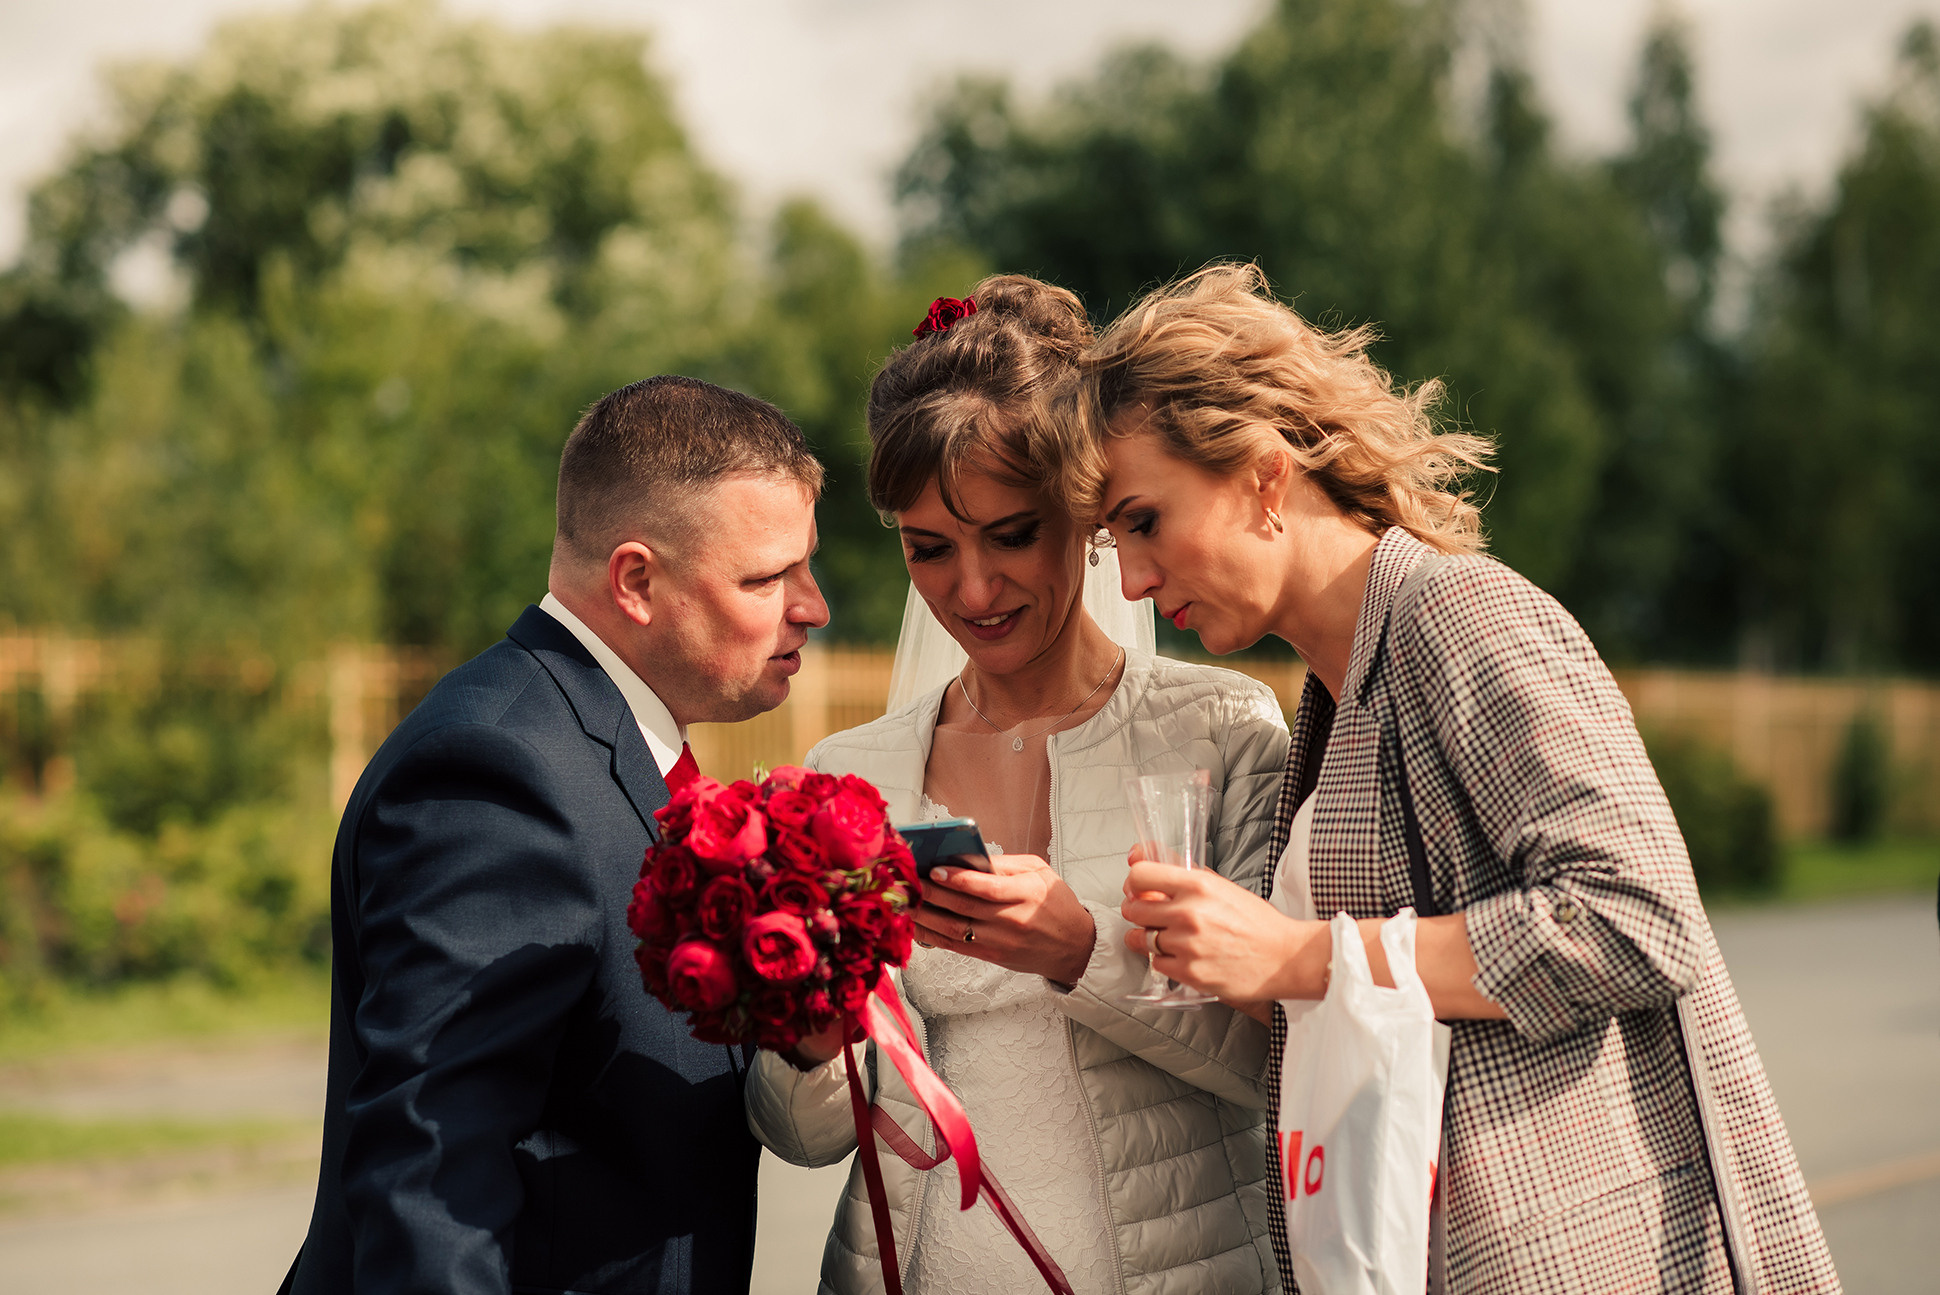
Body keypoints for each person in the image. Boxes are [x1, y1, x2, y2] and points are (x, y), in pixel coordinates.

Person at [1066, 264, 1841, 1293]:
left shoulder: (1455, 614)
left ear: (1261, 475)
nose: (1130, 578)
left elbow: (1634, 915)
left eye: (1143, 520)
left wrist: (1302, 954)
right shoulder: (1333, 686)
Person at [744, 277, 1293, 1295]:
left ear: (1083, 514)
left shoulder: (1222, 729)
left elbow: (1277, 1065)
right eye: (928, 548)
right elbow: (803, 1138)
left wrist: (1080, 950)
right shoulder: (843, 775)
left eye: (1009, 534)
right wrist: (809, 1040)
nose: (972, 589)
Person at [281, 376, 830, 1295]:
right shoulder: (497, 772)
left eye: (804, 566)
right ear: (636, 580)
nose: (810, 604)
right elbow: (433, 1175)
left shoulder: (619, 748)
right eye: (767, 576)